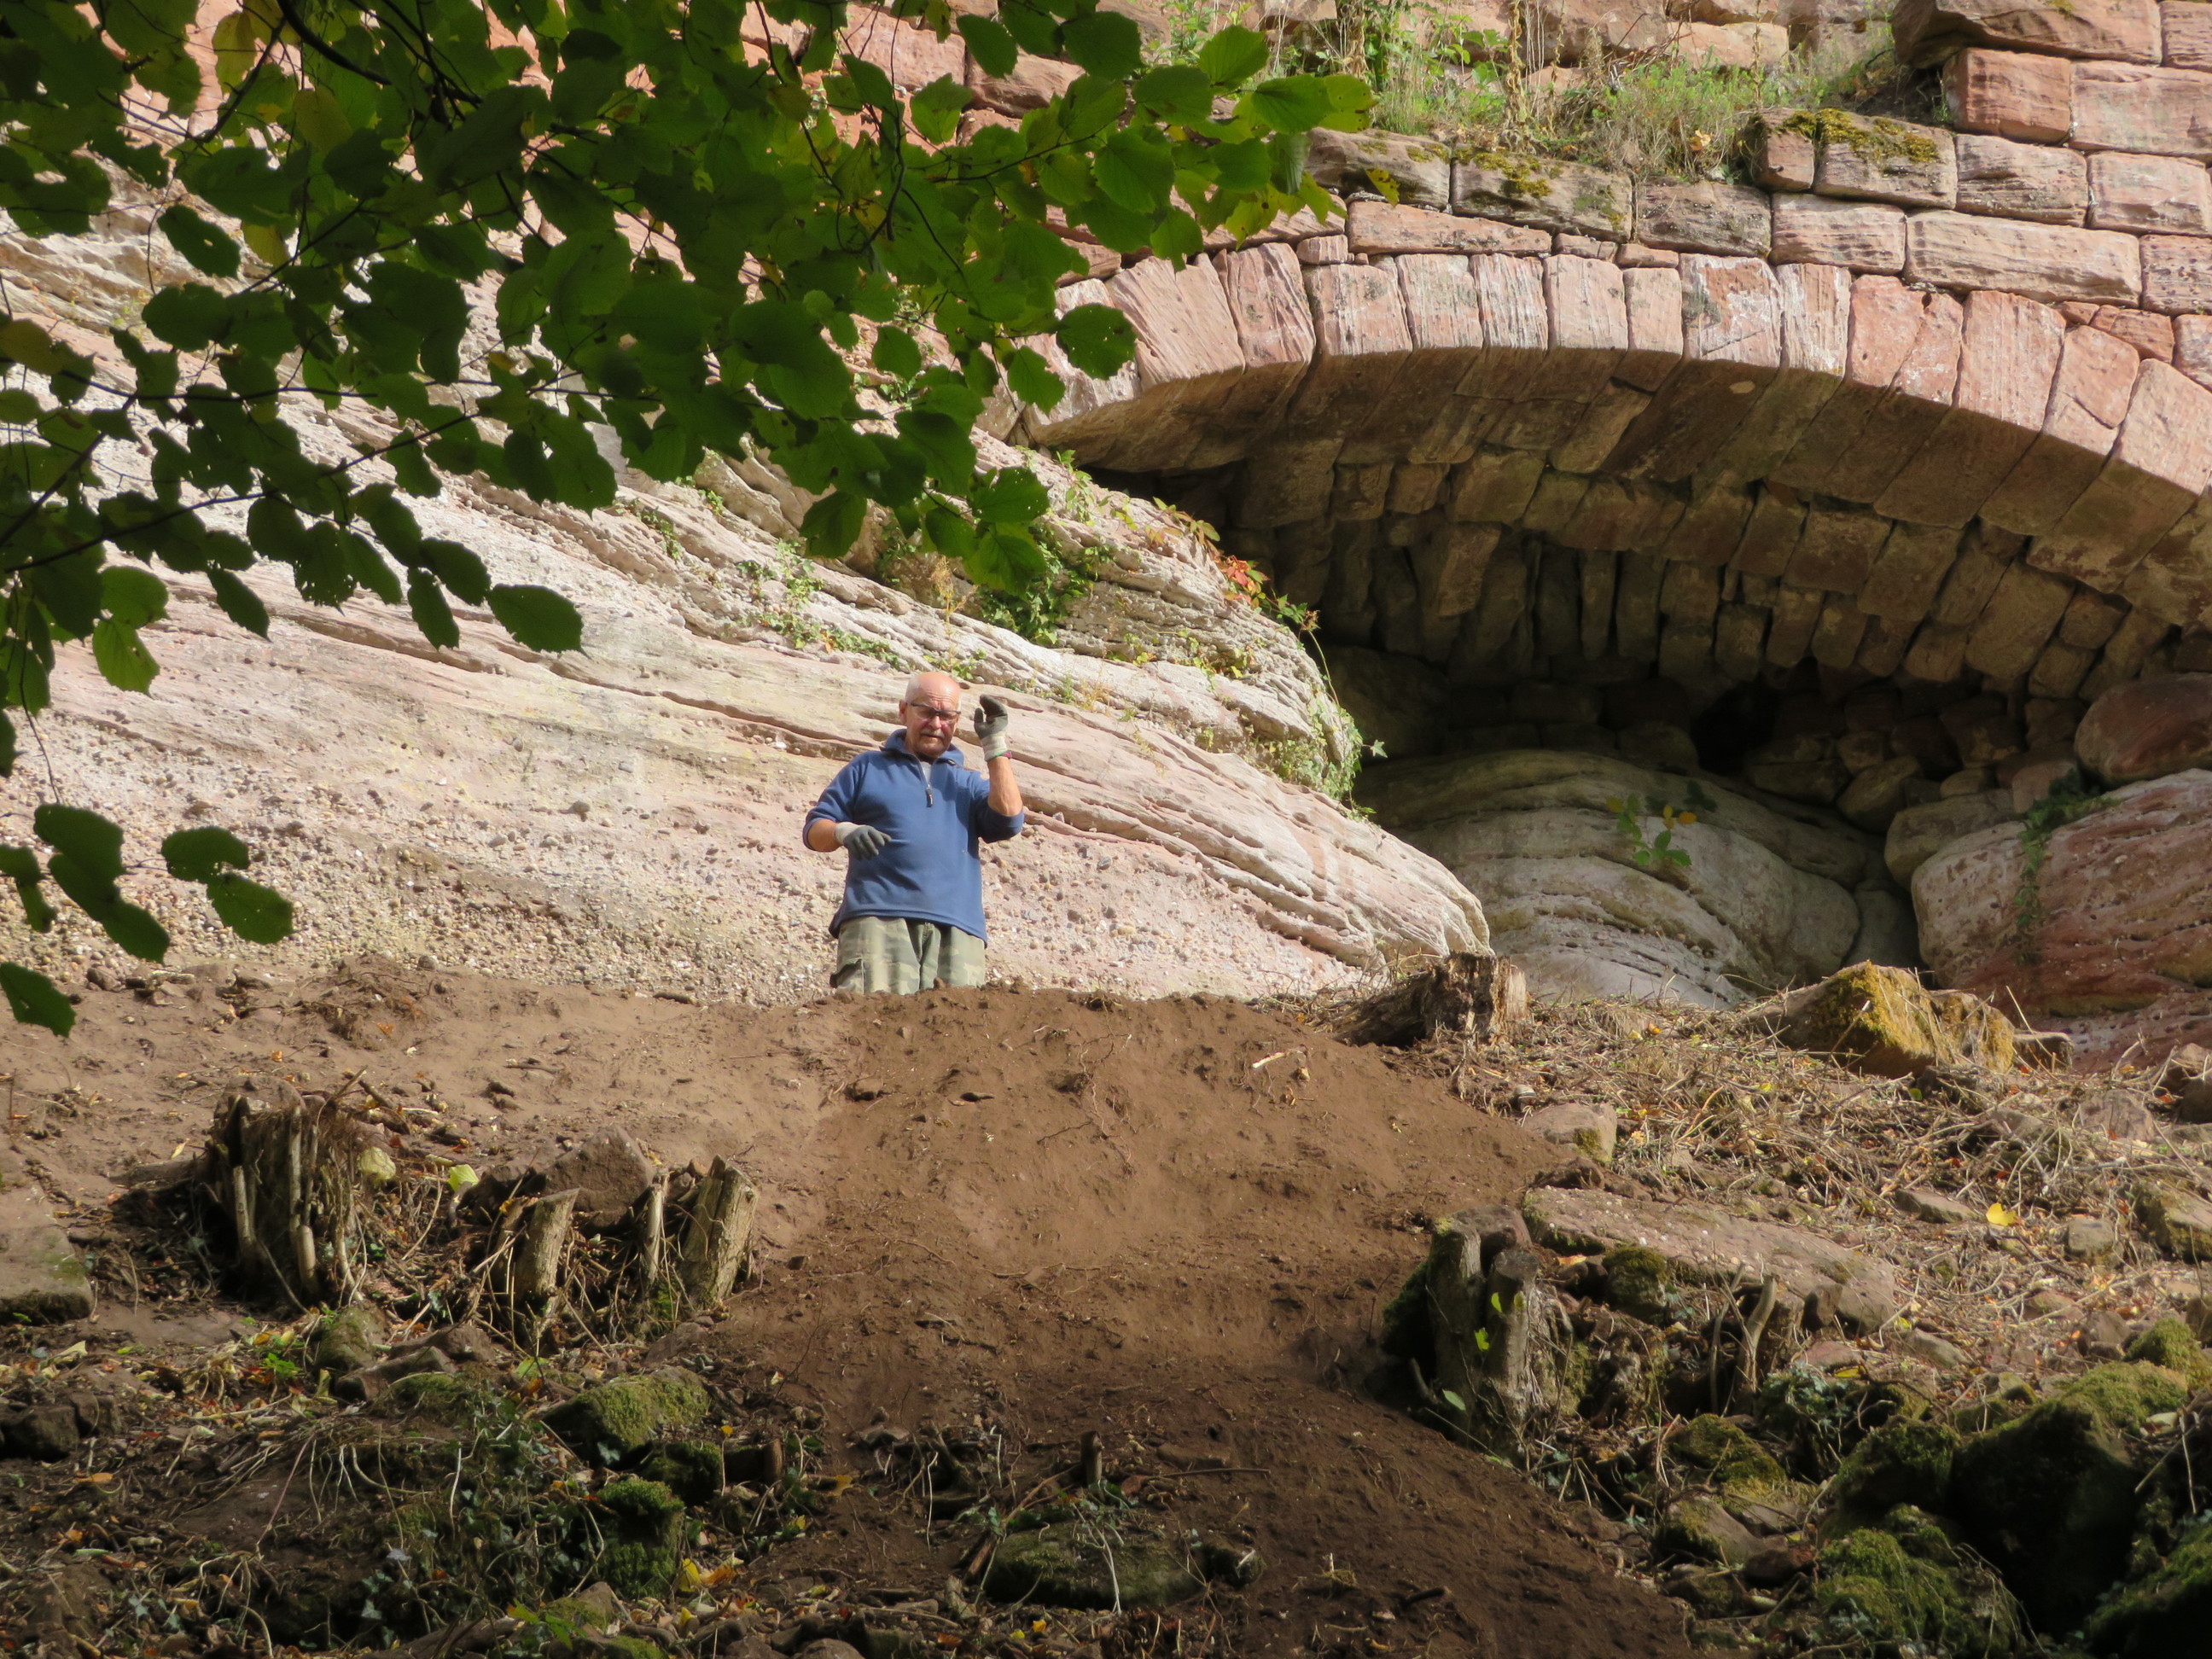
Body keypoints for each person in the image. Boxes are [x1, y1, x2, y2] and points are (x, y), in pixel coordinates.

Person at [802, 670, 1025, 993]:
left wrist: (994, 744)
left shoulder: (968, 783)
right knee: (870, 1018)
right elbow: (814, 831)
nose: (936, 724)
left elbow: (1010, 819)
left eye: (947, 716)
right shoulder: (866, 768)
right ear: (903, 711)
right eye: (927, 712)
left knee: (956, 1022)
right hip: (878, 920)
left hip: (957, 929)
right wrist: (843, 831)